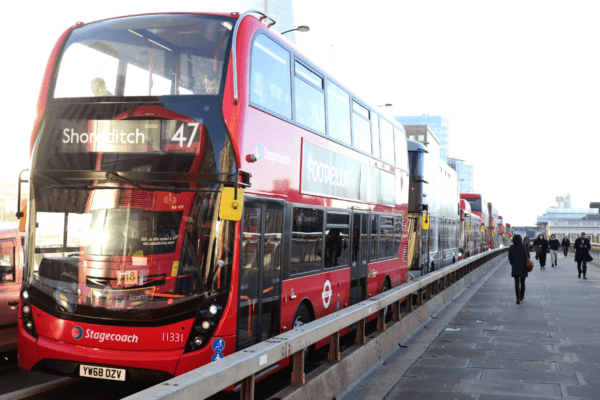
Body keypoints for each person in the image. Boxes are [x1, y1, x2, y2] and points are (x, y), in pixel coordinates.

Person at [508, 234, 529, 304]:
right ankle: (522, 296)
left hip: (515, 267)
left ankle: (518, 298)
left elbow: (510, 258)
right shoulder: (524, 247)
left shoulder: (511, 247)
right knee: (523, 282)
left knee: (516, 283)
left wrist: (513, 264)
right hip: (523, 267)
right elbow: (528, 256)